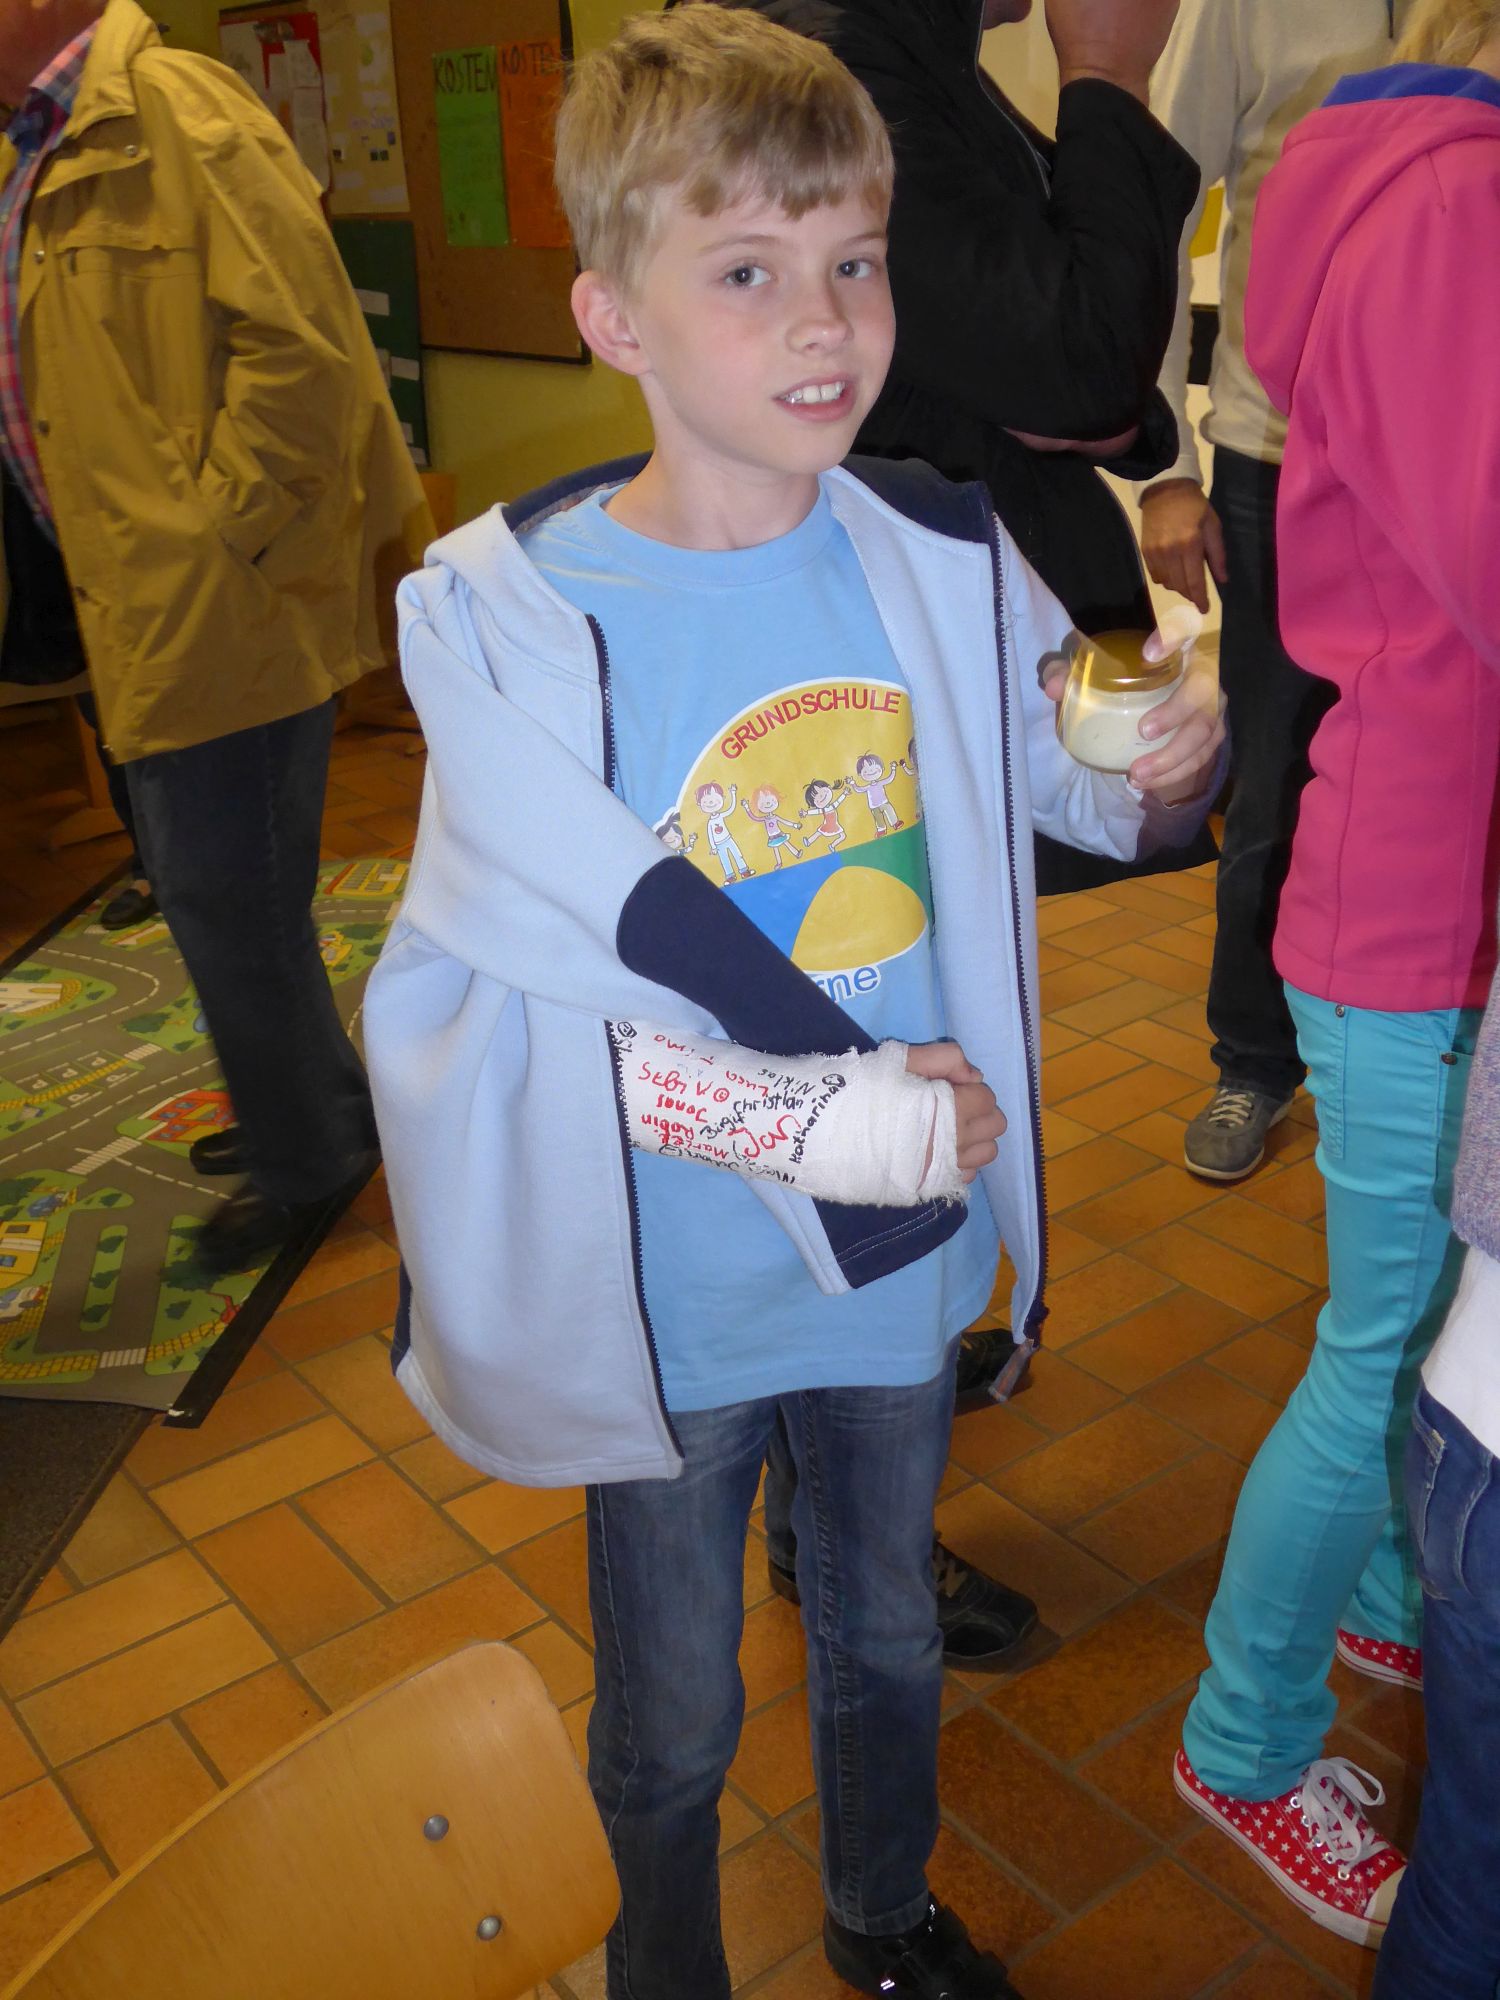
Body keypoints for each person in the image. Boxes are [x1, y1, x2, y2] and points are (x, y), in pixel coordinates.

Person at [363, 12, 1225, 1997]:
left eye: (854, 259)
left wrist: (1167, 760)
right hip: (670, 1296)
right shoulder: (510, 619)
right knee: (670, 1716)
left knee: (887, 1630)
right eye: (747, 271)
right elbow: (502, 1015)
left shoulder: (938, 549)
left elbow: (1086, 797)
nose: (825, 319)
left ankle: (880, 1911)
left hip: (898, 1266)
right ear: (614, 316)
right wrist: (822, 1119)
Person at [707, 0, 1207, 1659]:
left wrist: (1096, 400)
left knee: (924, 1048)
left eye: (860, 273)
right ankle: (845, 1519)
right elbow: (1073, 354)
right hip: (877, 651)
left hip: (950, 623)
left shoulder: (901, 54)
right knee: (869, 1054)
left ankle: (877, 1423)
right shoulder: (851, 57)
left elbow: (1086, 378)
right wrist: (1107, 76)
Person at [1172, 3, 1500, 1950]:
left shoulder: (1424, 187)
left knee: (1425, 1318)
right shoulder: (1454, 203)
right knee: (1378, 1339)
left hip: (1423, 882)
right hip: (1411, 909)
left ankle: (1381, 1591)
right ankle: (1243, 1738)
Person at [0, 0, 429, 1271]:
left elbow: (302, 356)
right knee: (226, 881)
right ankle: (310, 1102)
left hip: (213, 593)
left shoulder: (177, 114)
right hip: (131, 588)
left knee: (222, 889)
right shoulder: (47, 138)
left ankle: (313, 1151)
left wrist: (213, 534)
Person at [1139, 0, 1406, 1181]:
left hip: (1450, 458)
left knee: (1441, 785)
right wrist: (1164, 465)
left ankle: (1412, 1060)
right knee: (1280, 783)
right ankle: (1253, 1059)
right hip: (1277, 460)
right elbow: (1155, 208)